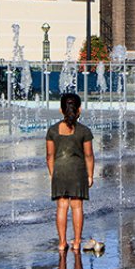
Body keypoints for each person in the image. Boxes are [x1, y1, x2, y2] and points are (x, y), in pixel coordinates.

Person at [45, 91, 95, 252]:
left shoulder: (52, 130)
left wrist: (53, 173)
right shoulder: (84, 131)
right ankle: (77, 242)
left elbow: (49, 155)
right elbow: (88, 155)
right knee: (77, 206)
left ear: (61, 110)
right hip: (78, 171)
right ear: (79, 110)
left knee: (61, 206)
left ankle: (61, 242)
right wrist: (90, 175)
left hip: (60, 170)